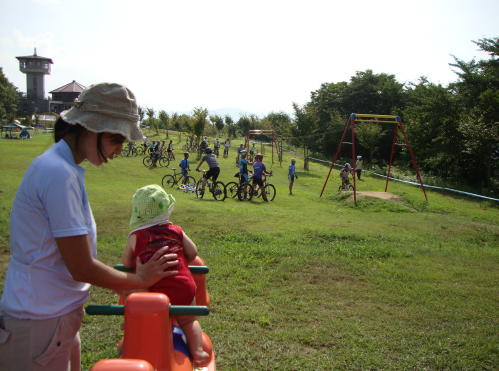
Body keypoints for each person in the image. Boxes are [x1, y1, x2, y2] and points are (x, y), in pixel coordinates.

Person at [0, 83, 179, 371]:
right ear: (92, 129)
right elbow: (81, 267)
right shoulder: (59, 174)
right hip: (40, 322)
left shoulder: (64, 168)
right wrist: (140, 280)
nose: (119, 150)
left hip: (53, 319)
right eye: (117, 139)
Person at [122, 185, 210, 366]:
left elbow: (127, 263)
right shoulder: (175, 230)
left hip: (152, 289)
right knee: (189, 320)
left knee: (132, 293)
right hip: (182, 286)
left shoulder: (135, 236)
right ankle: (198, 351)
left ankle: (130, 327)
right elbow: (193, 252)